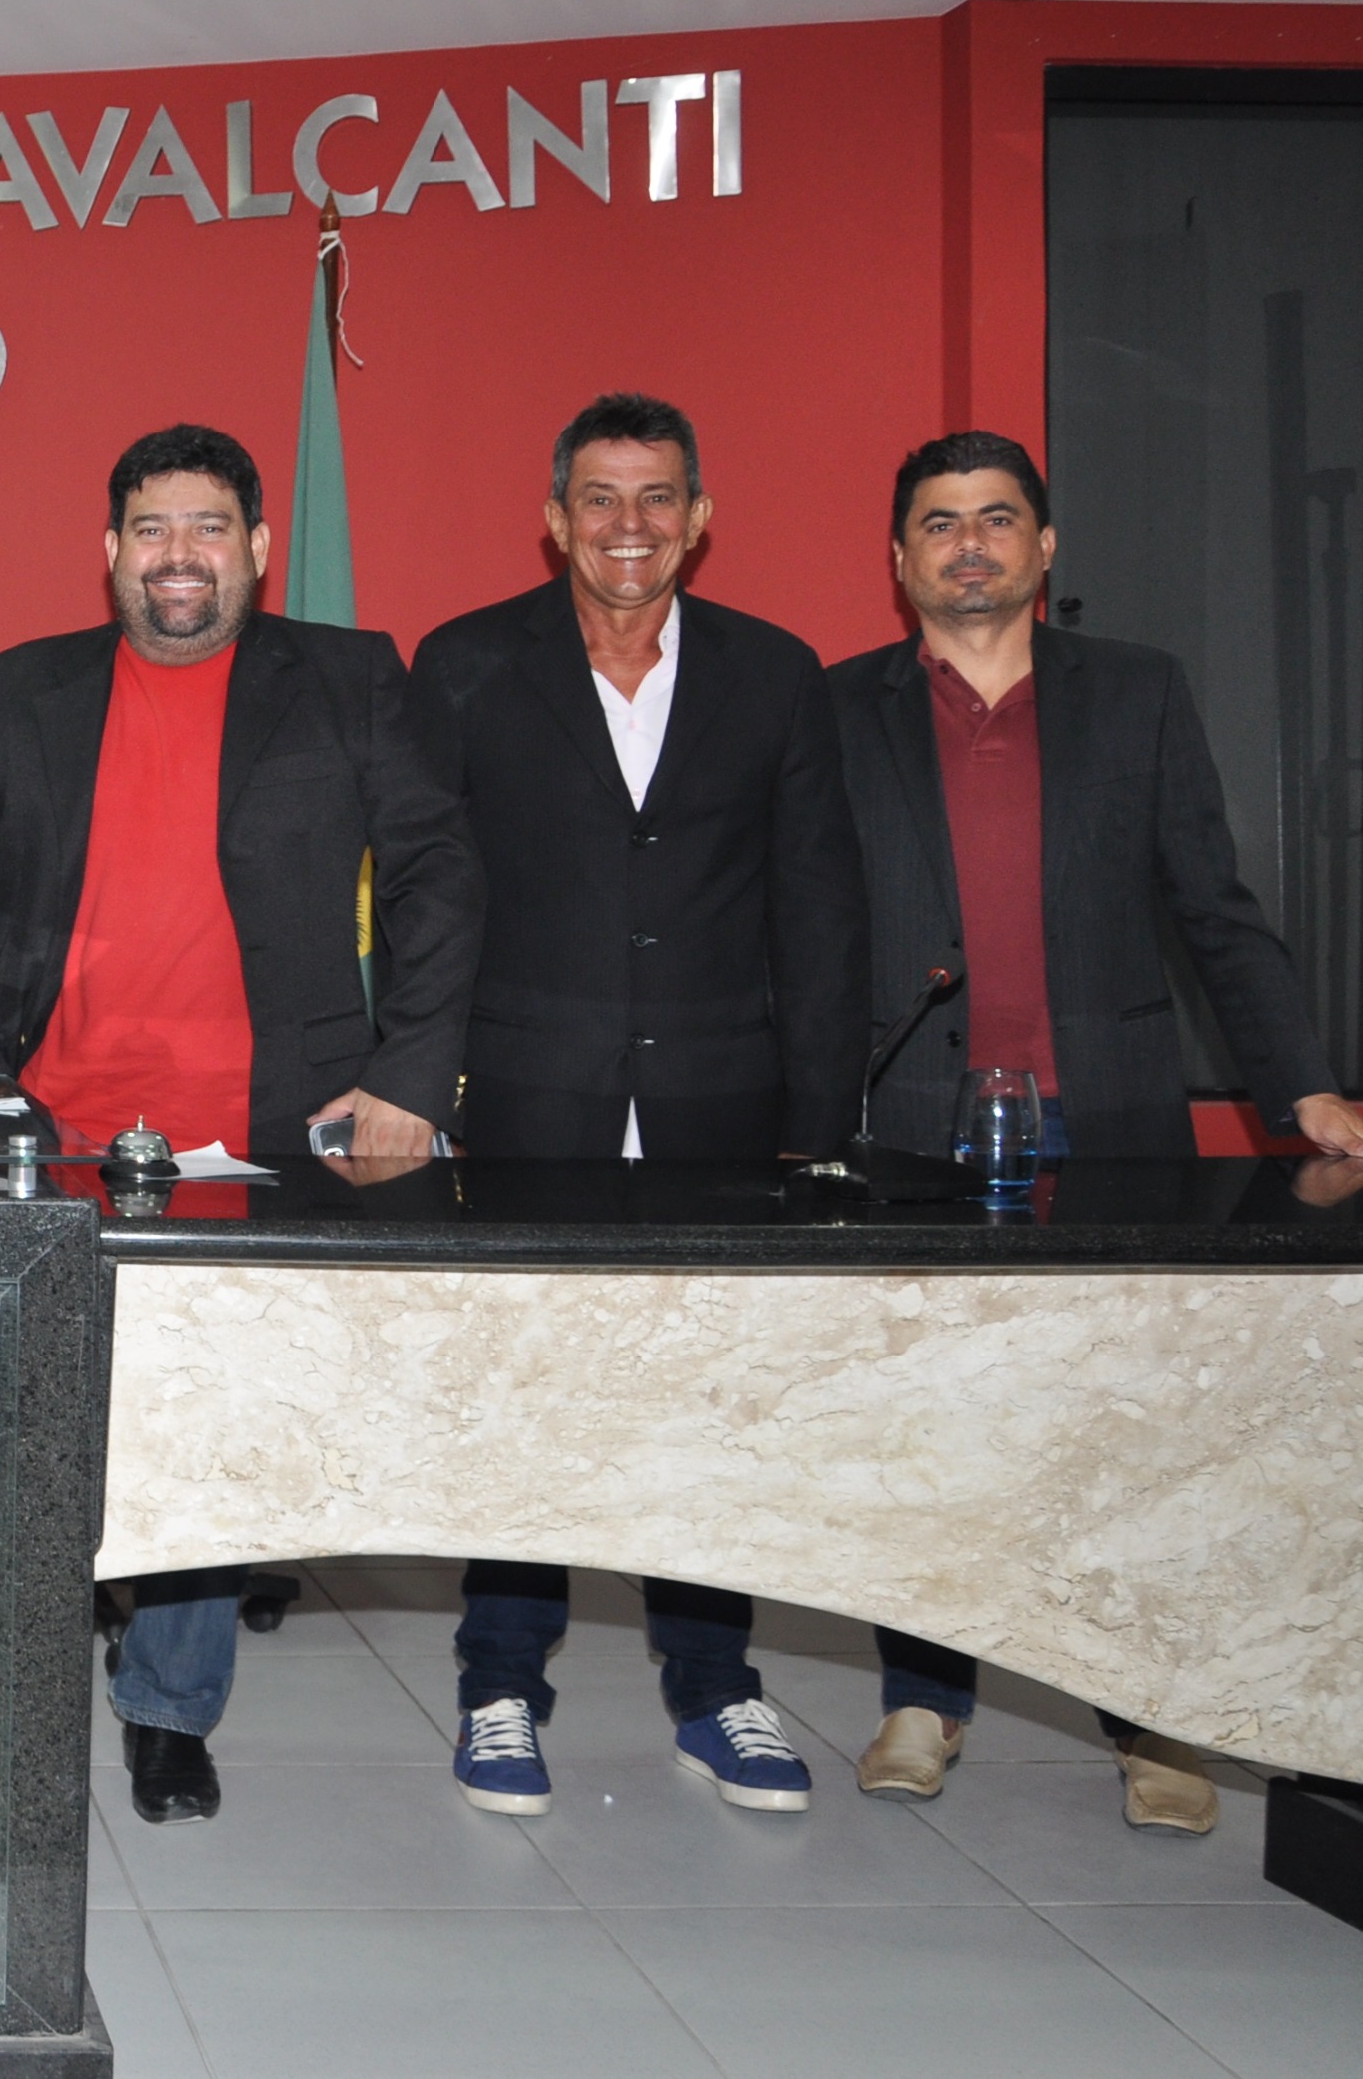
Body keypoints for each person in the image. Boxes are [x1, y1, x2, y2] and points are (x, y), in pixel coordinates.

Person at [0, 423, 481, 1826]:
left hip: (262, 1126)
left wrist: (412, 1076)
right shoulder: (28, 685)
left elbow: (435, 869)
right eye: (152, 528)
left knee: (208, 1421)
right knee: (38, 1417)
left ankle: (169, 1704)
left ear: (259, 548)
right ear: (109, 550)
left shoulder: (347, 677)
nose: (180, 554)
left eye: (209, 527)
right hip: (53, 1120)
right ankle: (18, 1675)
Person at [835, 430, 1363, 1835]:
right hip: (913, 1127)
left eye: (995, 517)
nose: (968, 543)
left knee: (1132, 1431)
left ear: (1044, 546)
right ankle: (923, 1697)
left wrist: (1300, 1087)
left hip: (1110, 1116)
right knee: (929, 1427)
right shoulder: (836, 710)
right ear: (896, 558)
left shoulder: (1138, 694)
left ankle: (1154, 1714)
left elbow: (1214, 908)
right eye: (939, 521)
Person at [407, 392, 867, 1819]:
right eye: (599, 497)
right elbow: (428, 894)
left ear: (698, 517)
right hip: (525, 1096)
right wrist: (417, 1086)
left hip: (718, 1102)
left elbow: (820, 904)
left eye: (657, 496)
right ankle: (498, 1687)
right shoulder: (466, 663)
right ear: (555, 518)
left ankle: (715, 1688)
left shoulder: (775, 673)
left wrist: (820, 1119)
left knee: (706, 1406)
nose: (629, 524)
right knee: (522, 1399)